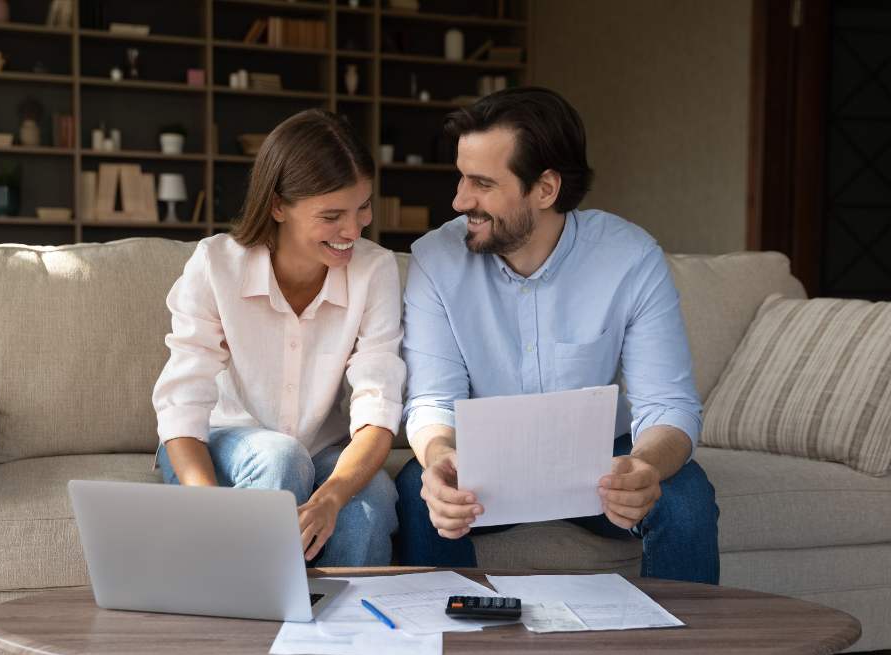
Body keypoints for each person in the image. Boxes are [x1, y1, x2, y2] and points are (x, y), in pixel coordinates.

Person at [395, 87, 720, 588]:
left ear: (545, 189)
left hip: (599, 463)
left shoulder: (630, 258)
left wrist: (645, 466)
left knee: (687, 495)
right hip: (483, 461)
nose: (460, 201)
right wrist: (441, 457)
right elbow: (433, 399)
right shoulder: (436, 260)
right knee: (418, 491)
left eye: (482, 183)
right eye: (461, 177)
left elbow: (669, 404)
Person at [152, 109, 405, 567]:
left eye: (363, 207)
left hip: (321, 449)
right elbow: (182, 402)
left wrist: (331, 498)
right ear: (277, 205)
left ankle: (351, 635)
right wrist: (208, 509)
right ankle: (253, 624)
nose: (353, 230)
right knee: (279, 457)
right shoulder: (216, 265)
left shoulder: (376, 270)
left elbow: (378, 402)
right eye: (332, 215)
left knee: (372, 497)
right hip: (216, 443)